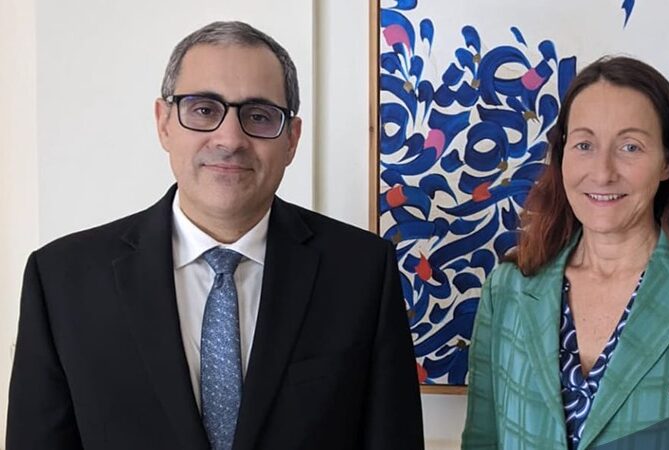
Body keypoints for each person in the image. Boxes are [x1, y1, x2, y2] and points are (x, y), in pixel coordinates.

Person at [7, 21, 423, 450]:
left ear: (291, 140)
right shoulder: (62, 279)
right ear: (164, 123)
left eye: (258, 116)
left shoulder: (362, 272)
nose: (230, 139)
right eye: (204, 110)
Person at [461, 56, 669, 449]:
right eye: (584, 145)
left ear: (666, 162)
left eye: (630, 146)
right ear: (561, 155)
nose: (603, 172)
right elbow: (484, 441)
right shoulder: (507, 290)